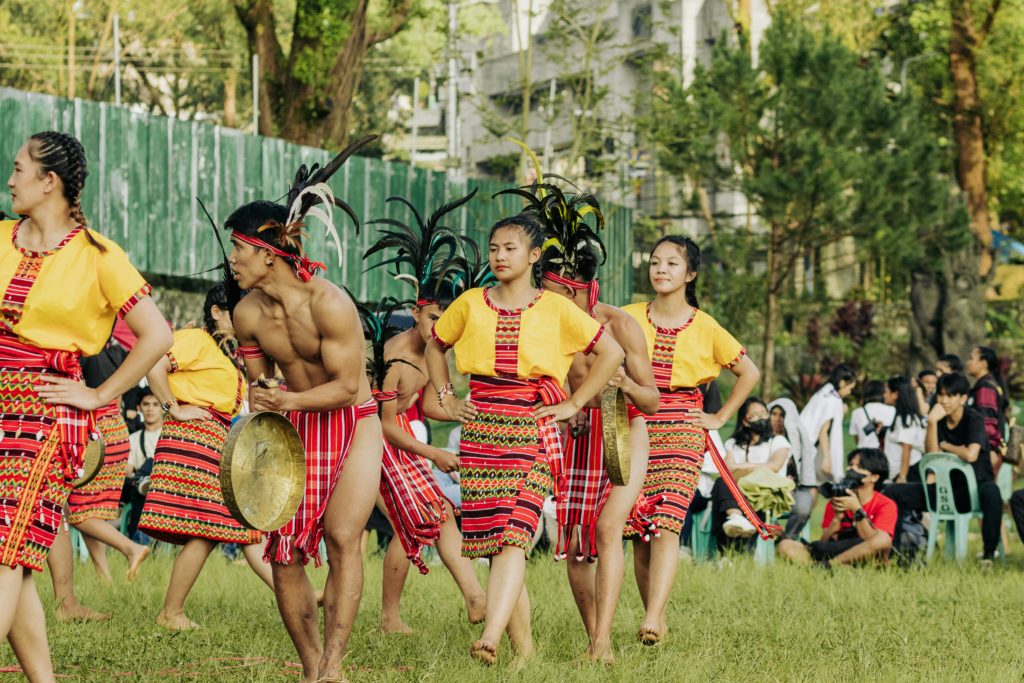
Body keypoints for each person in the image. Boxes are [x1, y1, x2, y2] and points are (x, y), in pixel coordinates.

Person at [1, 131, 172, 679]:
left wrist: (99, 394)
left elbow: (157, 335)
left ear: (49, 181)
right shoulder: (2, 238)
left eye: (19, 168)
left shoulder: (99, 255)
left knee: (5, 549)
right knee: (15, 559)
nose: (10, 178)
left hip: (48, 416)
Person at [425, 212, 624, 665]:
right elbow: (434, 344)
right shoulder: (471, 301)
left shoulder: (557, 308)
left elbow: (610, 352)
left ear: (534, 256)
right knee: (498, 544)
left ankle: (490, 637)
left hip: (533, 427)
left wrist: (574, 404)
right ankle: (523, 654)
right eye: (494, 248)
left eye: (510, 248)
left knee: (515, 534)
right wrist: (446, 396)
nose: (499, 256)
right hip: (479, 428)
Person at [229, 137, 384, 683]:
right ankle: (310, 667)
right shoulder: (246, 312)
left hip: (354, 420)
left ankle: (334, 666)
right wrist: (264, 396)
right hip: (294, 425)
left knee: (344, 538)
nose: (232, 260)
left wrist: (288, 398)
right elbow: (257, 382)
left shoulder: (330, 303)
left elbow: (348, 387)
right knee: (283, 551)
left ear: (267, 252)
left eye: (238, 250)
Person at [527, 181, 660, 664]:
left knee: (607, 530)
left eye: (555, 289)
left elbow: (654, 402)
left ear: (578, 288)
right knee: (578, 545)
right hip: (576, 441)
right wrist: (569, 411)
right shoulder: (542, 323)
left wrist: (623, 384)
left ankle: (604, 639)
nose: (547, 296)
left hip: (626, 435)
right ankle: (595, 639)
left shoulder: (620, 326)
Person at [621, 235, 764, 646]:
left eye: (671, 263)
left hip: (683, 428)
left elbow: (748, 373)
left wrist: (718, 416)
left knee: (666, 523)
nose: (661, 269)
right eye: (654, 262)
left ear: (691, 273)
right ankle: (657, 617)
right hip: (634, 424)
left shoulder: (706, 325)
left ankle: (650, 617)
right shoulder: (627, 316)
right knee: (639, 530)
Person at [362, 193, 492, 633]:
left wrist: (464, 412)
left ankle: (475, 597)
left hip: (400, 441)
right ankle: (389, 617)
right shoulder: (395, 359)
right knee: (412, 521)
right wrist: (433, 453)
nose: (440, 329)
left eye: (447, 320)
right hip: (372, 442)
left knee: (439, 514)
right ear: (417, 311)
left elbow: (432, 402)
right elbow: (382, 424)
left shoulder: (434, 352)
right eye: (434, 317)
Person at [137, 284, 274, 630]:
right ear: (216, 312)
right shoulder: (197, 339)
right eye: (236, 310)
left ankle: (298, 594)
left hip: (215, 437)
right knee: (214, 528)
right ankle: (171, 612)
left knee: (241, 523)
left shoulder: (232, 356)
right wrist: (174, 408)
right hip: (192, 436)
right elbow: (153, 365)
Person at [885, 373, 1002, 563]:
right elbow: (931, 457)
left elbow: (971, 455)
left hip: (973, 492)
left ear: (963, 398)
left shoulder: (974, 419)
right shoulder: (936, 419)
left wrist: (946, 446)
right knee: (893, 492)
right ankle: (893, 550)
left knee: (992, 491)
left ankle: (989, 553)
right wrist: (931, 423)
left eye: (950, 395)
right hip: (944, 491)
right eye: (941, 395)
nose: (944, 400)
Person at [62, 342, 151, 581]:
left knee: (78, 513)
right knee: (89, 509)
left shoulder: (78, 351)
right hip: (115, 428)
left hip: (92, 433)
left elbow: (75, 395)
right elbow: (119, 397)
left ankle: (131, 548)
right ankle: (104, 577)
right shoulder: (117, 352)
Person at [777, 449, 895, 566]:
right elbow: (823, 542)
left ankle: (829, 565)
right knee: (785, 545)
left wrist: (857, 510)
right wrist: (837, 518)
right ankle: (826, 566)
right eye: (850, 465)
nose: (851, 469)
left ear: (874, 477)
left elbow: (872, 541)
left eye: (859, 466)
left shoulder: (885, 505)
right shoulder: (838, 498)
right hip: (837, 549)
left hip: (866, 554)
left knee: (882, 539)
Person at [716, 397, 791, 546]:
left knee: (730, 489)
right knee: (721, 482)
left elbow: (775, 466)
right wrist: (756, 467)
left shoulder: (778, 441)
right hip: (737, 490)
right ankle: (735, 518)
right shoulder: (733, 444)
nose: (762, 418)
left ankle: (734, 535)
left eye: (764, 413)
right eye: (755, 415)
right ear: (745, 420)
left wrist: (741, 467)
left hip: (764, 491)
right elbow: (727, 469)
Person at [768, 397, 816, 539]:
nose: (777, 419)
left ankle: (789, 539)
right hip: (766, 488)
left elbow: (805, 469)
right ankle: (777, 536)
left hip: (794, 488)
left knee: (803, 506)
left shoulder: (799, 439)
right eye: (774, 414)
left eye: (782, 415)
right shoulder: (761, 438)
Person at [800, 364, 857, 483]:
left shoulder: (823, 393)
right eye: (850, 388)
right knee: (811, 486)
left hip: (801, 445)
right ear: (842, 383)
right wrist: (827, 458)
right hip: (808, 449)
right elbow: (823, 430)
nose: (849, 393)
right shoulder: (833, 400)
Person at [124, 388, 163, 541]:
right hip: (140, 490)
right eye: (146, 404)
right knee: (139, 490)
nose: (150, 409)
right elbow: (128, 470)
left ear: (162, 407)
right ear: (139, 407)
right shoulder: (133, 438)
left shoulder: (169, 434)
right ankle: (138, 540)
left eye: (155, 404)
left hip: (165, 486)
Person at [965, 345, 1009, 471]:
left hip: (985, 452)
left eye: (971, 358)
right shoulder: (988, 384)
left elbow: (987, 422)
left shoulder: (985, 388)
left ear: (983, 363)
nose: (968, 362)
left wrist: (991, 449)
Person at [881, 375, 925, 482]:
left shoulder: (906, 419)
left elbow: (907, 448)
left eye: (886, 391)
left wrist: (902, 476)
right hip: (899, 473)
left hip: (908, 473)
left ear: (895, 394)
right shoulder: (901, 417)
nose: (884, 395)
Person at [848, 380, 894, 449]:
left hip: (864, 453)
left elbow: (857, 440)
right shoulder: (893, 410)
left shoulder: (856, 412)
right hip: (885, 453)